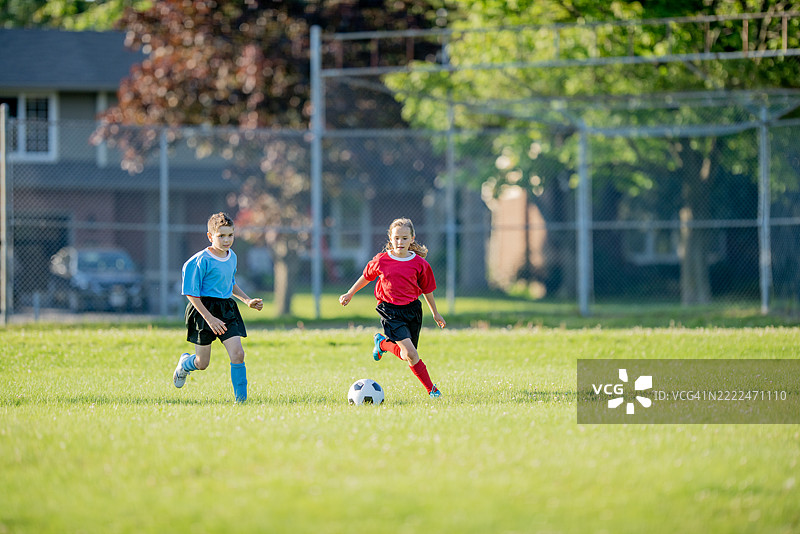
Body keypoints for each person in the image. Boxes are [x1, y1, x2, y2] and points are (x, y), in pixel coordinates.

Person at [339, 217, 446, 398]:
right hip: (390, 311)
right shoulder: (382, 260)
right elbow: (367, 276)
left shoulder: (420, 264)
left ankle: (382, 343)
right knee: (412, 353)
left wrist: (435, 313)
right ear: (390, 238)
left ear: (412, 238)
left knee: (408, 356)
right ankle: (432, 390)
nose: (400, 242)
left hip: (412, 310)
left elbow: (427, 290)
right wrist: (350, 293)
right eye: (396, 238)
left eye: (405, 238)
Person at [173, 212, 263, 403]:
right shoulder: (199, 261)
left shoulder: (232, 257)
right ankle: (184, 364)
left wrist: (247, 301)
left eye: (230, 235)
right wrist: (209, 318)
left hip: (226, 309)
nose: (226, 240)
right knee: (202, 363)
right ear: (210, 236)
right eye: (221, 236)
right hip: (203, 310)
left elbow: (229, 283)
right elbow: (191, 293)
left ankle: (242, 402)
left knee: (238, 354)